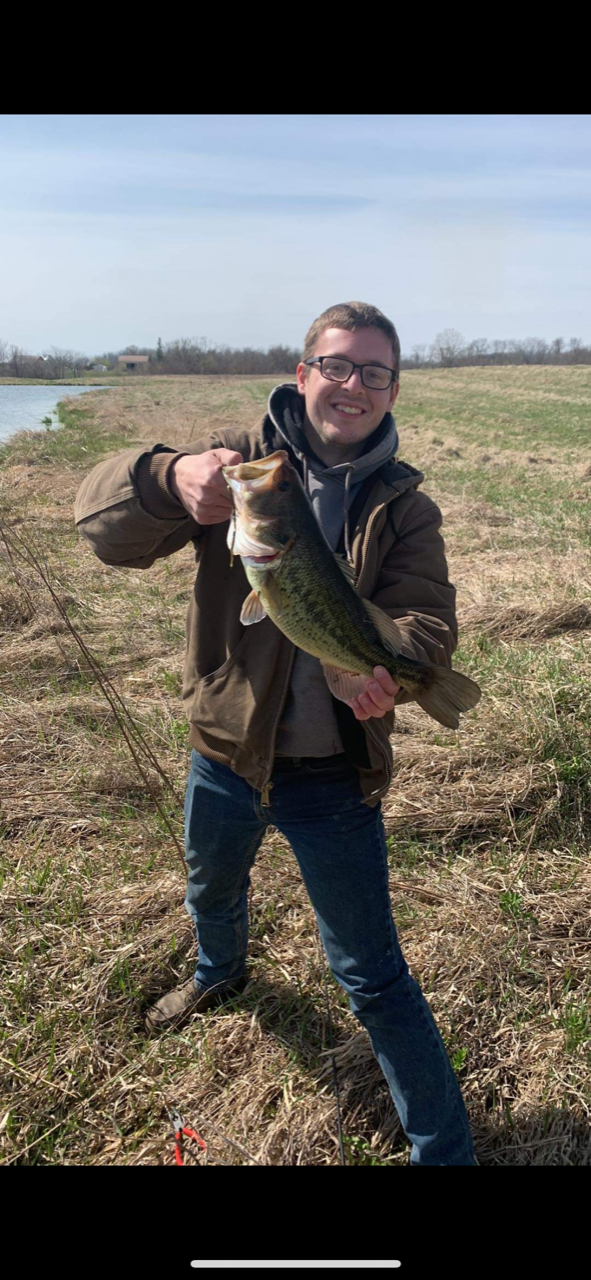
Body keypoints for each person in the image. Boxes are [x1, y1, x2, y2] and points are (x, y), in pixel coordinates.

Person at [74, 301, 477, 1165]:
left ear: (393, 390)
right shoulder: (241, 466)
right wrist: (167, 477)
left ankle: (444, 1151)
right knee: (210, 886)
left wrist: (387, 667)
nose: (353, 384)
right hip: (223, 755)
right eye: (336, 365)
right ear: (302, 375)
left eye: (374, 372)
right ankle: (218, 971)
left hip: (334, 775)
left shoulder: (405, 507)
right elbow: (105, 532)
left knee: (372, 975)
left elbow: (425, 623)